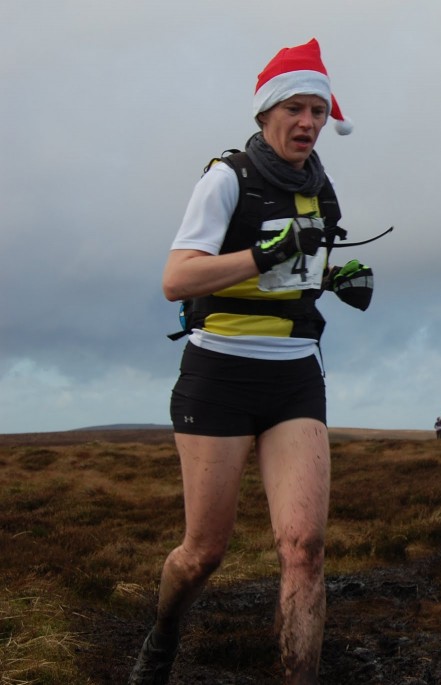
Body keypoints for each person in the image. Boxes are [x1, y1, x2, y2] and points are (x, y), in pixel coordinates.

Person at [130, 38, 361, 685]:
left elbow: (296, 272)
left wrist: (335, 279)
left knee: (304, 548)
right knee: (204, 553)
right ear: (265, 113)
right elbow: (177, 279)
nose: (308, 122)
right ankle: (163, 636)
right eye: (295, 108)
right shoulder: (226, 179)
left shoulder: (321, 188)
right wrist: (266, 254)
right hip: (220, 375)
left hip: (295, 373)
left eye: (318, 111)